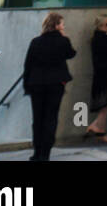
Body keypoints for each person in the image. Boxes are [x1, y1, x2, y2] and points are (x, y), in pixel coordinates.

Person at [22, 12, 76, 161]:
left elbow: (28, 64)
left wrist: (26, 85)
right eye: (62, 24)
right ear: (57, 25)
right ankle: (45, 153)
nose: (63, 26)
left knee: (37, 118)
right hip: (55, 83)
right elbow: (71, 54)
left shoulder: (36, 41)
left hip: (36, 83)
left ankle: (37, 151)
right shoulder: (63, 41)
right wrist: (63, 36)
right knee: (51, 118)